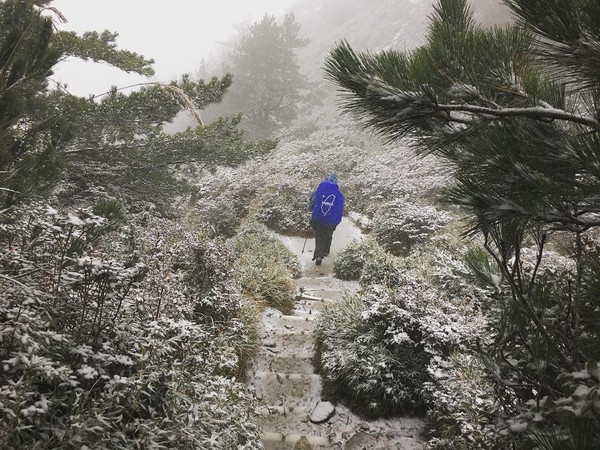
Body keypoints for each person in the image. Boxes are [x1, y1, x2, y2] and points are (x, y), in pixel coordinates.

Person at [308, 174, 344, 266]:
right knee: (328, 234)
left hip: (319, 219)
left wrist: (312, 210)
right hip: (332, 221)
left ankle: (318, 255)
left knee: (320, 236)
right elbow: (340, 208)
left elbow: (312, 202)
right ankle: (326, 251)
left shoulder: (319, 191)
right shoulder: (339, 195)